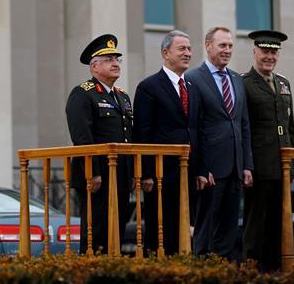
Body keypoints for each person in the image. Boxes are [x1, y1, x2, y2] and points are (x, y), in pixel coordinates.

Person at [187, 26, 253, 261]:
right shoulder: (193, 78)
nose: (227, 50)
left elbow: (243, 125)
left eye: (230, 46)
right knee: (206, 229)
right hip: (211, 171)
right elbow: (194, 128)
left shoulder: (237, 79)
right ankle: (203, 273)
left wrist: (247, 165)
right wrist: (202, 168)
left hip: (235, 168)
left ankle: (224, 271)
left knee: (228, 230)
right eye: (222, 45)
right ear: (208, 46)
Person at [133, 29, 199, 256]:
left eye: (189, 49)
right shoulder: (149, 87)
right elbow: (142, 133)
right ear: (165, 52)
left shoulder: (191, 87)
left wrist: (201, 169)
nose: (188, 53)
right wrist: (147, 172)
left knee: (186, 234)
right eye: (182, 49)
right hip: (161, 175)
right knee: (161, 233)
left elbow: (196, 130)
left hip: (188, 173)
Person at [65, 33, 133, 255]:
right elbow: (82, 138)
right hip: (98, 174)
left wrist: (132, 172)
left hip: (120, 173)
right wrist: (91, 172)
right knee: (97, 230)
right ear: (94, 67)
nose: (115, 64)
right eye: (109, 60)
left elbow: (128, 136)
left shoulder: (122, 96)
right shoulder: (83, 94)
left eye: (117, 59)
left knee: (119, 227)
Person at [242, 29, 294, 271]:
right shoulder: (244, 83)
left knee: (278, 222)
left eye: (274, 52)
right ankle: (252, 269)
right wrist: (247, 164)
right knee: (256, 223)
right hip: (259, 167)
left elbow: (289, 127)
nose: (269, 57)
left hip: (282, 166)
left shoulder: (283, 83)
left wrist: (292, 161)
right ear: (255, 52)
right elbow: (244, 128)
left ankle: (274, 271)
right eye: (265, 51)